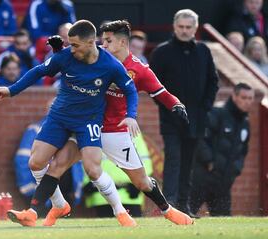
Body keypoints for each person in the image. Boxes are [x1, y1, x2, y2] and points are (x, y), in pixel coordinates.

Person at [24, 20, 194, 227]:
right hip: (86, 126)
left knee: (141, 182)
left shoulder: (140, 70)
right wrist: (60, 49)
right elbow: (67, 62)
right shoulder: (93, 59)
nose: (102, 45)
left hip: (115, 131)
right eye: (102, 40)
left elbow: (161, 93)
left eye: (108, 40)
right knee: (57, 165)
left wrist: (176, 105)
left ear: (122, 42)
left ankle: (168, 210)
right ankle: (37, 211)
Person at [0, 20, 140, 227]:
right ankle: (58, 205)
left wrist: (131, 115)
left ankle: (120, 212)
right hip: (60, 117)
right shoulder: (65, 57)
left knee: (93, 169)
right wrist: (11, 90)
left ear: (91, 43)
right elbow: (38, 71)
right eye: (69, 44)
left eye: (75, 45)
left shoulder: (110, 65)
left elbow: (131, 91)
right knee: (36, 162)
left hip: (88, 121)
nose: (71, 49)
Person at [150, 9, 219, 216]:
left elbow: (212, 81)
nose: (184, 30)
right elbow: (153, 85)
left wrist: (205, 106)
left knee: (188, 163)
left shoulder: (203, 51)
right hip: (171, 118)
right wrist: (168, 106)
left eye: (188, 27)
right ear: (174, 26)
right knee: (173, 159)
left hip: (196, 118)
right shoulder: (161, 52)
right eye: (181, 26)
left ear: (195, 29)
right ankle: (169, 205)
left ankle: (183, 205)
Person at [189, 83, 254, 216]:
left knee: (223, 220)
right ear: (234, 97)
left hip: (224, 182)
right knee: (187, 214)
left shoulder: (245, 123)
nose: (247, 101)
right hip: (203, 178)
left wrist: (236, 169)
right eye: (244, 97)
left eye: (250, 98)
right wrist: (209, 161)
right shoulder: (217, 113)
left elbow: (243, 150)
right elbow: (200, 138)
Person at [14, 100, 84, 215]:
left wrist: (77, 188)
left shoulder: (72, 130)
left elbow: (78, 163)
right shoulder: (36, 129)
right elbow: (23, 159)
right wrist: (29, 188)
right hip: (43, 193)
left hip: (68, 191)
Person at [83, 133, 153, 218]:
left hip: (128, 194)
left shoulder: (131, 130)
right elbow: (85, 162)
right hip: (101, 196)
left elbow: (145, 161)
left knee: (132, 228)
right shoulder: (93, 131)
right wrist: (87, 183)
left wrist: (139, 184)